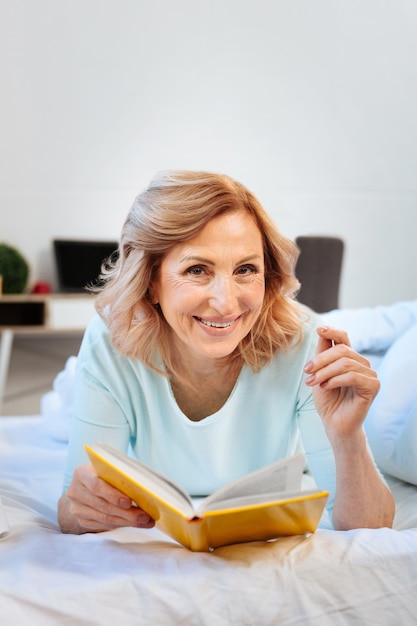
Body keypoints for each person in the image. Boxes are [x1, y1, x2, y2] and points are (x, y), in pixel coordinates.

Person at [58, 170, 394, 535]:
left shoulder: (306, 344)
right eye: (198, 270)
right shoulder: (112, 339)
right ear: (151, 281)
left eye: (246, 269)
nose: (225, 302)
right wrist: (87, 508)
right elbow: (72, 506)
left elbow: (370, 528)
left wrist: (348, 437)